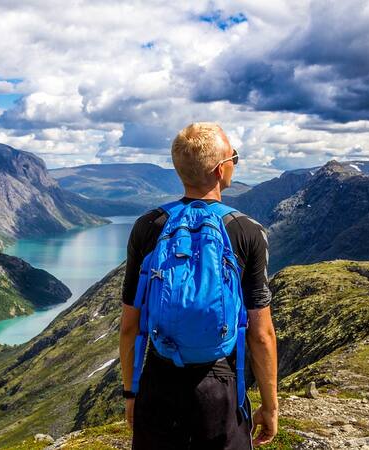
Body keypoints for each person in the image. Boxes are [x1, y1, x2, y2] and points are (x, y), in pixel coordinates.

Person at [119, 122, 278, 449]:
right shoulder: (246, 231)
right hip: (219, 385)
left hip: (159, 381)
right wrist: (270, 406)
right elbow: (261, 333)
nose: (235, 161)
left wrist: (132, 394)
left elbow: (130, 327)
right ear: (221, 170)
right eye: (234, 156)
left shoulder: (149, 226)